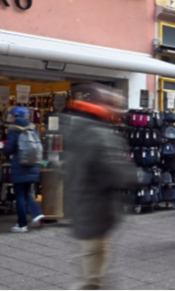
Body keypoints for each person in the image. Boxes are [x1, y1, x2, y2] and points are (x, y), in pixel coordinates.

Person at [61, 84, 136, 290]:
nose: (119, 111)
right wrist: (135, 173)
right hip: (96, 212)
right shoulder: (100, 134)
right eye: (115, 105)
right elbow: (115, 174)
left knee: (93, 269)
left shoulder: (78, 127)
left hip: (82, 208)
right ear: (102, 104)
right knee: (92, 278)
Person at [5, 106, 44, 233]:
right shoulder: (34, 128)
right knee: (27, 193)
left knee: (20, 195)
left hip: (19, 166)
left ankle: (22, 224)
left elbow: (9, 149)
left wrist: (3, 148)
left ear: (16, 116)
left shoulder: (14, 130)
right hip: (33, 166)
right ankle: (37, 214)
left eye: (11, 116)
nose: (10, 118)